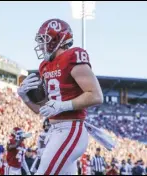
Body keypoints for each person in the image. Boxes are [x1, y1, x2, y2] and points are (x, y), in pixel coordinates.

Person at [18, 18, 103, 175]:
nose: (42, 45)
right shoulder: (45, 66)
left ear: (59, 39)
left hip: (70, 129)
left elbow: (96, 96)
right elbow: (41, 109)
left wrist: (63, 105)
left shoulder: (72, 56)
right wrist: (25, 97)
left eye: (45, 40)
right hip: (55, 130)